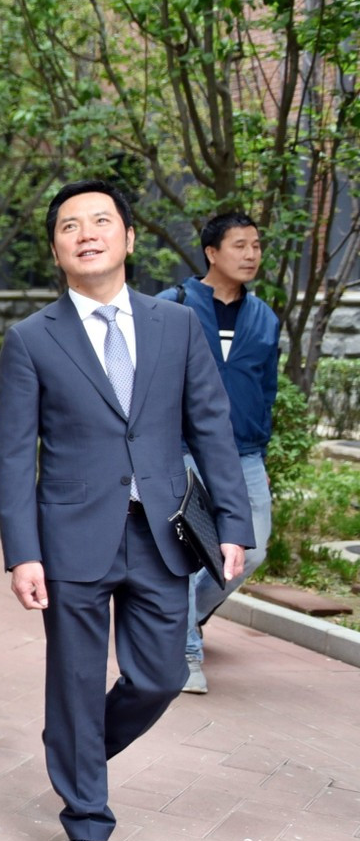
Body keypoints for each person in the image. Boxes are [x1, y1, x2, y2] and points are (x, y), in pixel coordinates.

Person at [0, 180, 252, 841]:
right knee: (76, 680)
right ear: (56, 249)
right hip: (71, 535)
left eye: (101, 221)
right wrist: (22, 550)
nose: (87, 233)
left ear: (129, 238)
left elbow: (210, 426)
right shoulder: (33, 339)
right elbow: (14, 454)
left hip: (161, 533)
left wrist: (234, 520)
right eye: (70, 225)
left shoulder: (177, 328)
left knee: (160, 675)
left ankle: (78, 751)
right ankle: (86, 823)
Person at [167, 212, 279, 694]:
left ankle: (177, 618)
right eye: (240, 245)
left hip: (246, 452)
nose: (251, 254)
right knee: (194, 550)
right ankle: (185, 648)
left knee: (251, 549)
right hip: (185, 446)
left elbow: (267, 386)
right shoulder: (173, 307)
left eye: (256, 245)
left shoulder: (265, 317)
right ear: (212, 252)